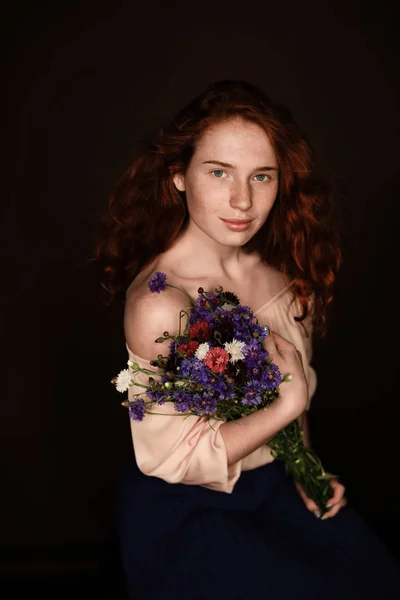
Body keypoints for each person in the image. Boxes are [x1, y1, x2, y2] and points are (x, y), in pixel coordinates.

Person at [93, 80, 400, 599]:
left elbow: (296, 401)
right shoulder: (162, 305)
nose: (243, 200)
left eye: (262, 176)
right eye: (219, 173)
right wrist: (288, 404)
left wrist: (308, 469)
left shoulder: (281, 274)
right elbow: (178, 460)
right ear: (179, 178)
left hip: (279, 484)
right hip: (189, 509)